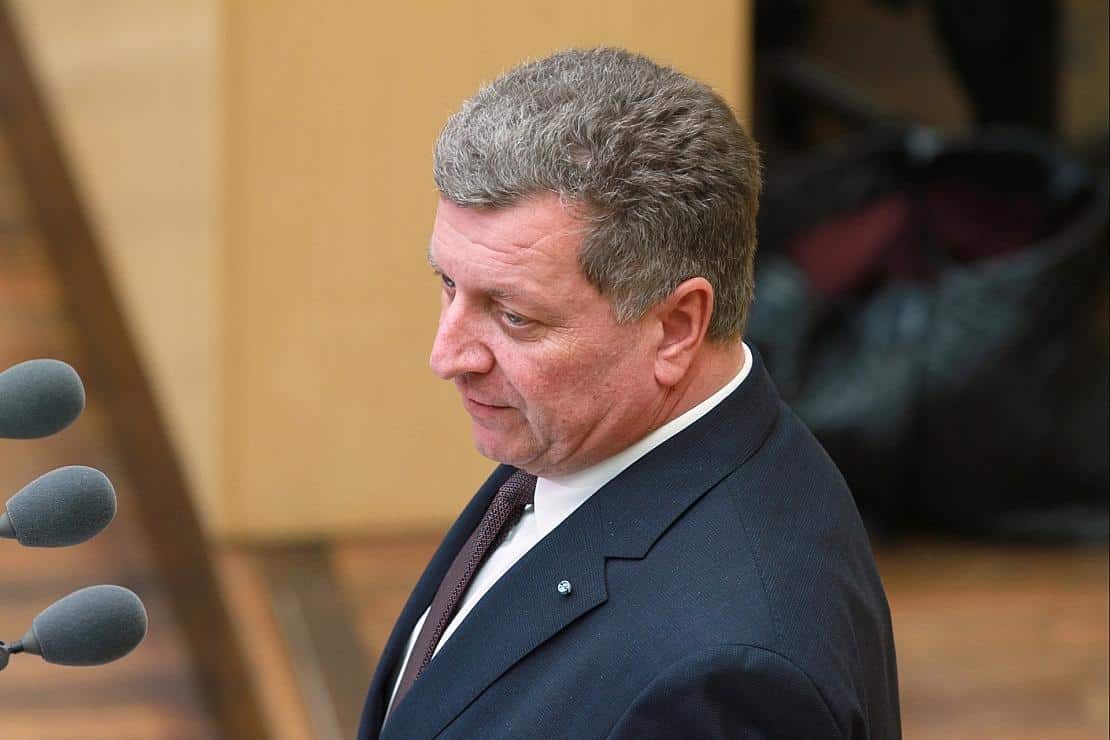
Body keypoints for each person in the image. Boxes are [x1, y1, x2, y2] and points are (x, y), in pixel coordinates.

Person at [358, 47, 900, 739]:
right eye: (448, 284)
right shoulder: (580, 441)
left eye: (513, 316)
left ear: (675, 328)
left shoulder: (726, 678)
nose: (447, 356)